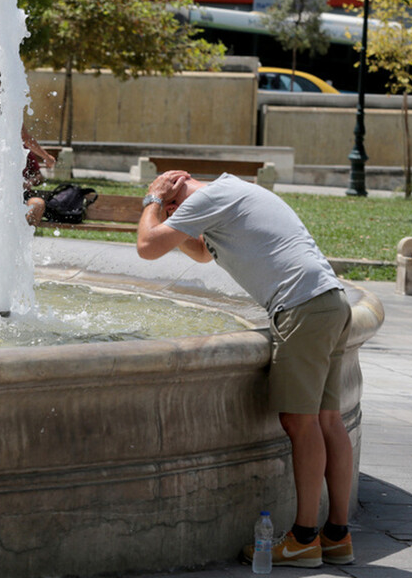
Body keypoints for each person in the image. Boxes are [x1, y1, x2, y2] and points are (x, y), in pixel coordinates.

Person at [136, 170, 355, 569]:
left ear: (174, 197)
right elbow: (202, 252)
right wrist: (178, 224)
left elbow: (147, 247)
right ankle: (337, 536)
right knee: (328, 420)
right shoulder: (229, 192)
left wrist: (151, 202)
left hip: (301, 308)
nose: (168, 215)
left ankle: (305, 538)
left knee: (300, 423)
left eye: (170, 209)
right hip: (329, 300)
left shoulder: (206, 198)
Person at [21, 126, 56, 226]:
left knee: (38, 204)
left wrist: (30, 182)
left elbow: (39, 176)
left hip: (22, 195)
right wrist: (47, 157)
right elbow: (25, 136)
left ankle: (21, 237)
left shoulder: (24, 151)